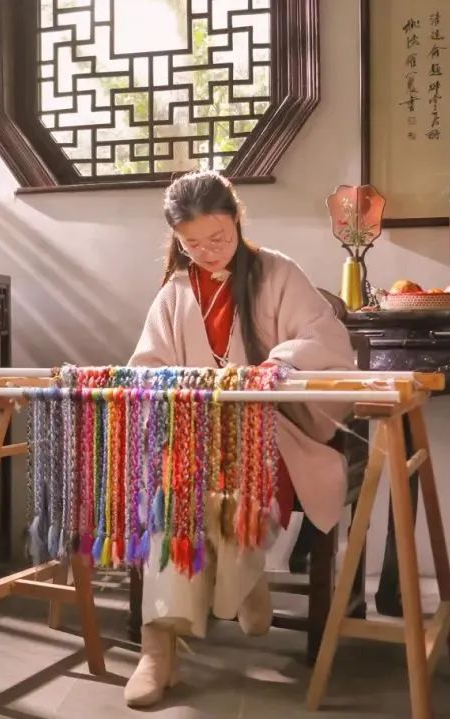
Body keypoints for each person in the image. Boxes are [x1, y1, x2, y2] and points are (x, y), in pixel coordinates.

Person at [123, 169, 356, 708]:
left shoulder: (279, 272)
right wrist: (182, 392)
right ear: (176, 239)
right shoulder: (175, 293)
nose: (207, 252)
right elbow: (145, 368)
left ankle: (240, 574)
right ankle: (159, 648)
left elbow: (324, 338)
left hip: (270, 429)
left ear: (237, 220)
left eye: (219, 238)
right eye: (192, 243)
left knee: (238, 466)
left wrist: (275, 367)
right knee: (171, 496)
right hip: (194, 432)